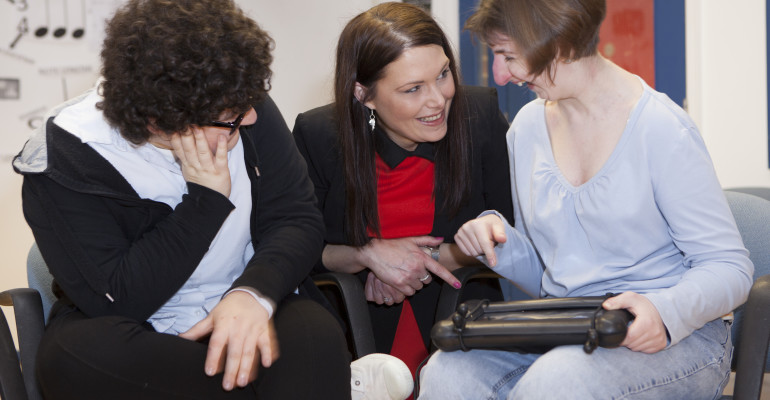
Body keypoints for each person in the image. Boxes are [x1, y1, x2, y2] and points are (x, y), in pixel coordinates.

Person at [13, 0, 366, 398]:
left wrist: (252, 295)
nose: (249, 119)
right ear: (160, 121)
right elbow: (118, 297)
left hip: (244, 292)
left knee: (313, 335)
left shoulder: (238, 102)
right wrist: (205, 202)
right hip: (137, 327)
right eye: (231, 118)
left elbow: (296, 218)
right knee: (71, 357)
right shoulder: (68, 155)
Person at [418, 0, 755, 398]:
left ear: (560, 44)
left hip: (678, 339)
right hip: (573, 327)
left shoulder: (661, 129)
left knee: (560, 380)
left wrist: (664, 313)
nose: (500, 75)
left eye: (508, 55)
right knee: (447, 372)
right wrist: (498, 242)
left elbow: (731, 267)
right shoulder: (527, 129)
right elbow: (550, 279)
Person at [292, 1, 514, 384]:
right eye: (413, 89)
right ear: (364, 95)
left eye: (443, 74)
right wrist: (369, 256)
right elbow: (297, 247)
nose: (438, 99)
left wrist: (417, 261)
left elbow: (510, 233)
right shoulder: (318, 135)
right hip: (350, 329)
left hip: (462, 323)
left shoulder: (480, 116)